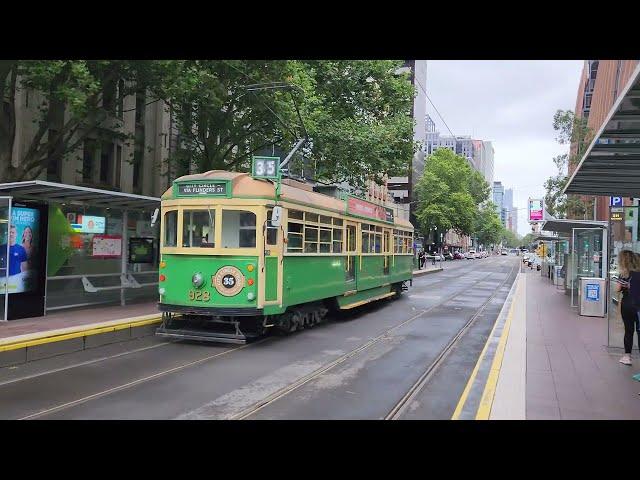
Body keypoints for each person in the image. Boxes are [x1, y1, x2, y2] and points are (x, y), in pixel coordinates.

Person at [614, 250, 640, 365]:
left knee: (629, 331)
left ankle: (627, 357)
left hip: (627, 304)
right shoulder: (638, 273)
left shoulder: (624, 273)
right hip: (638, 305)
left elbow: (617, 289)